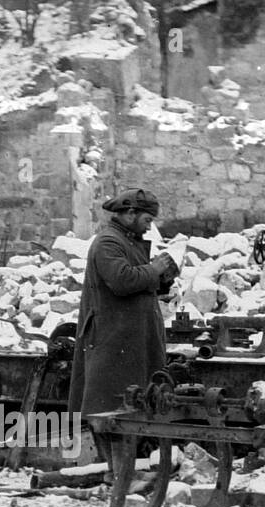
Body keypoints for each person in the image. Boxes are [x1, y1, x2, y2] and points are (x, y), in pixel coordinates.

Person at [68, 187, 178, 470]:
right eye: (146, 219)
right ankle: (115, 469)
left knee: (133, 401)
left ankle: (130, 467)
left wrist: (163, 277)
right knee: (110, 404)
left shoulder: (128, 240)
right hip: (113, 339)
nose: (149, 225)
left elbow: (141, 281)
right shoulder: (108, 242)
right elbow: (122, 280)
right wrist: (153, 270)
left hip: (131, 340)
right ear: (130, 213)